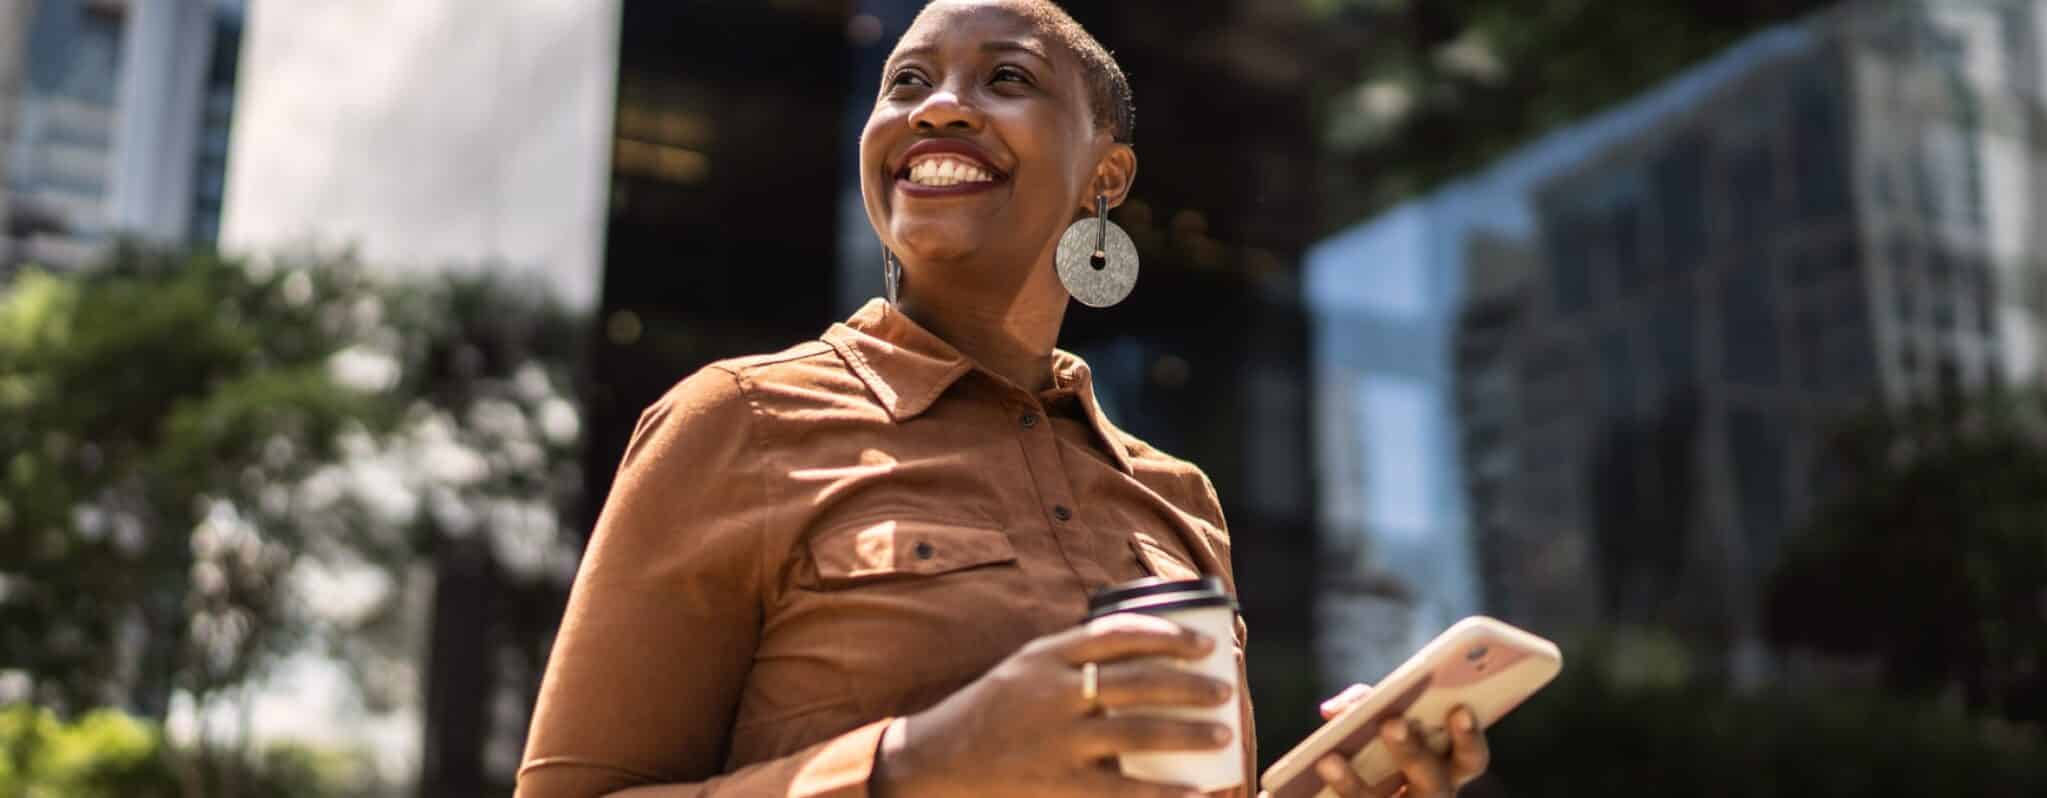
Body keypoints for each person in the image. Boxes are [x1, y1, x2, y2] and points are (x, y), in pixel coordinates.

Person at [516, 1, 1491, 796]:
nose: (936, 108)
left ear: (1103, 177)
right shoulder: (738, 423)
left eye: (1006, 78)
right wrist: (915, 764)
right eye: (905, 81)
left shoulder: (1178, 500)